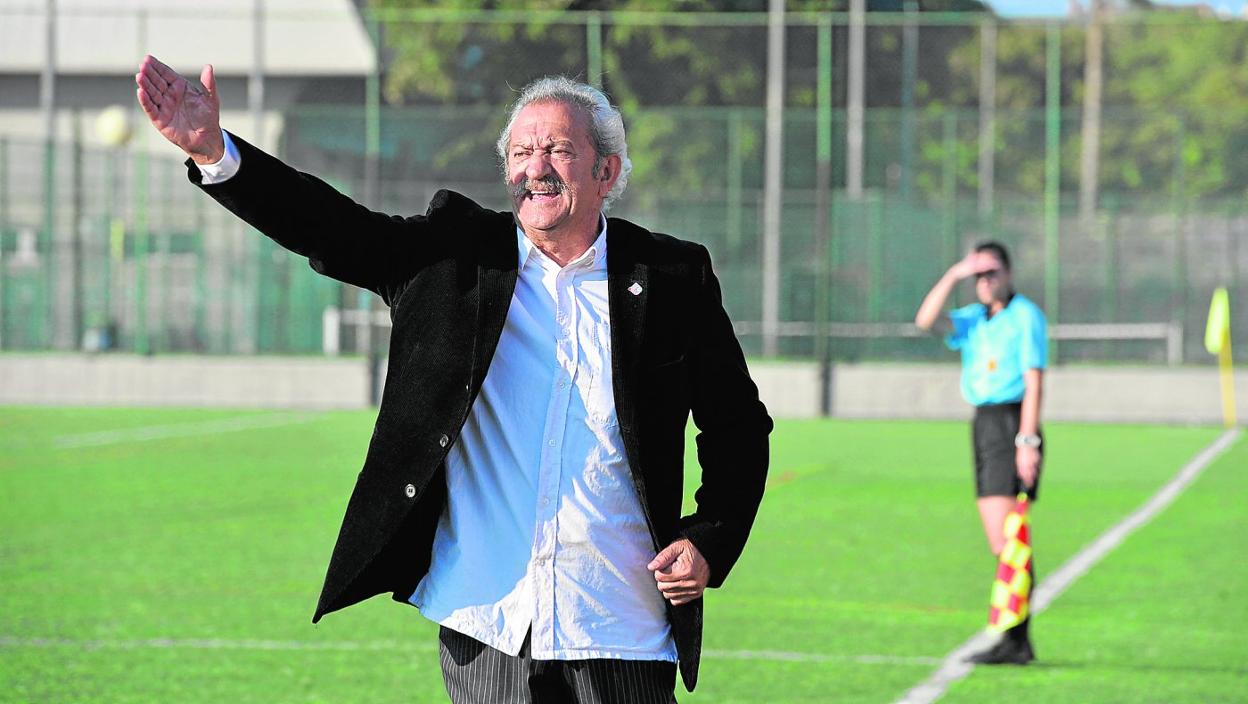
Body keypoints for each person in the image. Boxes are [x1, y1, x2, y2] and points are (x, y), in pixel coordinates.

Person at [135, 55, 772, 702]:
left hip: (619, 623)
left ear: (606, 171)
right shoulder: (453, 259)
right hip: (486, 623)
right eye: (520, 153)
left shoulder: (671, 277)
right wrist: (216, 152)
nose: (535, 168)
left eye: (557, 149)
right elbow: (332, 229)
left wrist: (710, 537)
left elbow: (738, 426)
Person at [914, 241, 1046, 665]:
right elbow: (925, 321)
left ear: (1008, 273)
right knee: (1001, 540)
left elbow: (1034, 379)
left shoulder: (1025, 316)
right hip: (984, 424)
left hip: (1010, 424)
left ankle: (1016, 641)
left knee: (1008, 537)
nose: (985, 282)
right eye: (978, 276)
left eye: (991, 273)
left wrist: (1027, 440)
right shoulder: (975, 319)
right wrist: (954, 273)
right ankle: (1016, 638)